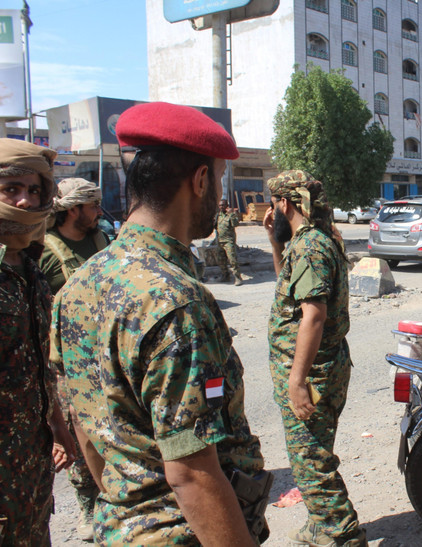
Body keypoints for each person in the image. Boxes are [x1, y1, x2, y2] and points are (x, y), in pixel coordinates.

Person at [50, 102, 267, 545]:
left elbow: (86, 426)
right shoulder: (174, 302)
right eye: (220, 179)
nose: (221, 196)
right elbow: (191, 473)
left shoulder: (81, 282)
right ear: (200, 180)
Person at [263, 170, 365, 547]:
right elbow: (287, 288)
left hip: (314, 373)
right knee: (312, 453)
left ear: (285, 204)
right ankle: (321, 524)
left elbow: (314, 315)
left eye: (275, 205)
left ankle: (341, 534)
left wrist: (297, 380)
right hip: (321, 368)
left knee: (311, 462)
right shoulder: (308, 243)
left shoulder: (309, 247)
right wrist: (274, 242)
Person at [0, 138, 75, 546]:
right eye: (11, 189)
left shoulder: (30, 269)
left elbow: (39, 366)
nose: (25, 202)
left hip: (29, 469)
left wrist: (58, 427)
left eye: (33, 190)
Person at [38, 177, 108, 540]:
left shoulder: (101, 240)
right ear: (72, 209)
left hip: (106, 355)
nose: (98, 212)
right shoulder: (46, 250)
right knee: (80, 440)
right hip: (67, 363)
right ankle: (88, 505)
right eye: (92, 206)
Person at [216, 198, 243, 285]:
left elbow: (236, 224)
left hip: (228, 241)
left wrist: (232, 214)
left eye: (223, 205)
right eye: (220, 205)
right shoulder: (218, 215)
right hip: (220, 241)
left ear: (227, 206)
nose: (221, 207)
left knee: (232, 260)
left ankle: (238, 277)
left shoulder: (231, 215)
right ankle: (225, 275)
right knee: (221, 260)